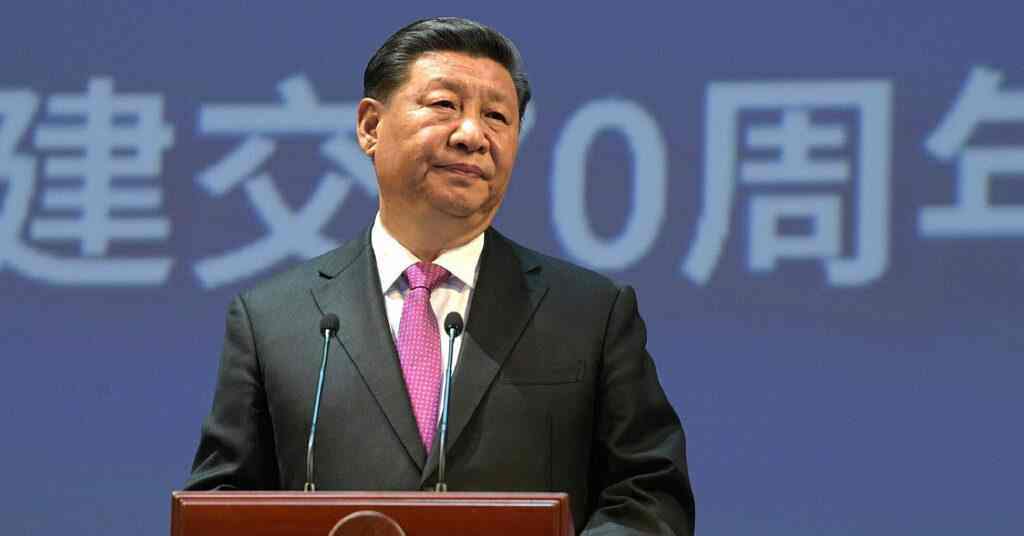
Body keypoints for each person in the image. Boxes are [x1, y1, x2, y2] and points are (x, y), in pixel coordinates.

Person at [185, 17, 695, 535]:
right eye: (445, 105)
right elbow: (220, 505)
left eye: (497, 117)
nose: (473, 136)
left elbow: (649, 493)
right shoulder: (274, 319)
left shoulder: (589, 313)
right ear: (370, 126)